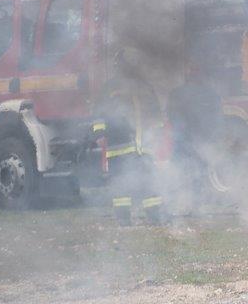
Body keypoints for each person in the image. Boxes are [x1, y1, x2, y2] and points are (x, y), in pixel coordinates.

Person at [92, 48, 164, 225]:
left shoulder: (145, 87)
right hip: (119, 145)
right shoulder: (110, 87)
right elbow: (99, 112)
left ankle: (155, 217)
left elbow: (155, 113)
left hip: (144, 146)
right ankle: (124, 220)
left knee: (148, 182)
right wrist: (100, 133)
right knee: (121, 184)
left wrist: (158, 132)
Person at [167, 62, 223, 214]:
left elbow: (216, 117)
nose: (193, 74)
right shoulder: (178, 94)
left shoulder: (209, 94)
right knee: (185, 170)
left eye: (195, 70)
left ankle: (194, 203)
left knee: (196, 170)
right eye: (192, 70)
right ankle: (185, 202)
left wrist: (210, 135)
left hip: (197, 139)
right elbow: (172, 116)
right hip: (185, 139)